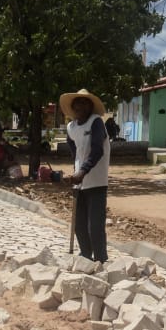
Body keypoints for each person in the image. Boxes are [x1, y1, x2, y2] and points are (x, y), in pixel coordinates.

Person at [60, 87, 112, 262]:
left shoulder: (96, 123)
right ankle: (85, 256)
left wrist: (83, 171)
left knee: (95, 226)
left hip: (96, 181)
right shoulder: (71, 127)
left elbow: (97, 150)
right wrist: (76, 169)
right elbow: (75, 149)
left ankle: (101, 261)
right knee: (79, 225)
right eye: (77, 103)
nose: (80, 106)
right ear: (73, 107)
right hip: (79, 182)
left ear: (90, 107)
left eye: (84, 102)